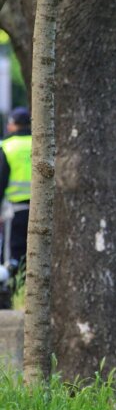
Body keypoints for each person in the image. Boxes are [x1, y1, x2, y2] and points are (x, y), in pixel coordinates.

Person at [0, 107, 32, 308]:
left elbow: (1, 182)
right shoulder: (42, 143)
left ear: (12, 125)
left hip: (16, 212)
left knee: (12, 257)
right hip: (44, 210)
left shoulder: (8, 147)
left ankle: (12, 299)